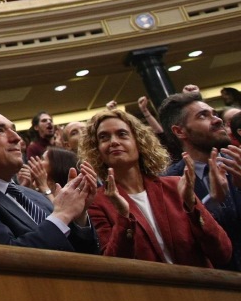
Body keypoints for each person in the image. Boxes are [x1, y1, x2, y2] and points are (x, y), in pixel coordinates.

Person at [83, 107, 232, 268]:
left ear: (139, 142)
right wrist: (123, 217)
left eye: (122, 134)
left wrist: (192, 205)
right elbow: (113, 266)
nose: (113, 141)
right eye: (103, 138)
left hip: (198, 288)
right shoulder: (96, 202)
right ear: (97, 150)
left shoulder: (176, 186)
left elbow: (222, 252)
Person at [0, 107, 98, 253]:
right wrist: (62, 215)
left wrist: (79, 217)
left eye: (13, 129)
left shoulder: (35, 196)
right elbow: (6, 257)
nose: (17, 138)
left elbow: (87, 255)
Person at [158, 92, 241, 270]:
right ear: (179, 131)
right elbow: (182, 243)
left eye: (214, 114)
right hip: (217, 285)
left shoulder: (238, 161)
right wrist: (210, 204)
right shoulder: (167, 183)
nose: (217, 120)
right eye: (203, 116)